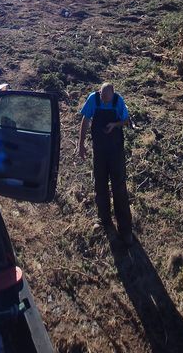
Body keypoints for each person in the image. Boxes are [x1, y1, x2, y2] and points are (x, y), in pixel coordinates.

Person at [78, 82, 134, 246]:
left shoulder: (119, 101)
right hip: (99, 150)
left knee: (119, 187)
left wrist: (114, 125)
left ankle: (125, 229)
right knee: (100, 185)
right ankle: (105, 221)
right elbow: (85, 119)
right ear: (99, 93)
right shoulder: (93, 99)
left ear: (113, 95)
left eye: (107, 100)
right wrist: (81, 145)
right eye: (103, 99)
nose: (104, 102)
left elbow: (126, 121)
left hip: (116, 150)